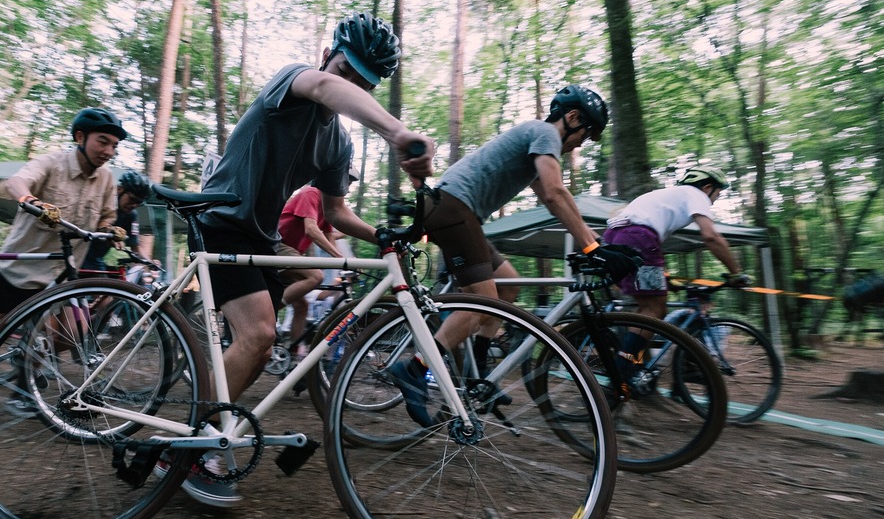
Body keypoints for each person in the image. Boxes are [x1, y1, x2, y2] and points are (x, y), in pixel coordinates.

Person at [159, 12, 436, 507]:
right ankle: (184, 451)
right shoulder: (292, 80)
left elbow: (336, 212)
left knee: (261, 343)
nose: (348, 83)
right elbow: (327, 88)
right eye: (345, 69)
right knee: (260, 334)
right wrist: (398, 133)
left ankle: (195, 435)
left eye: (362, 82)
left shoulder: (338, 143)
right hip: (223, 217)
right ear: (327, 55)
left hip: (260, 236)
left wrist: (384, 236)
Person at [385, 84, 641, 427]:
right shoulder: (545, 133)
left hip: (460, 212)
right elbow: (555, 193)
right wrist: (593, 248)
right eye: (586, 133)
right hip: (453, 208)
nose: (582, 143)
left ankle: (477, 377)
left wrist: (600, 243)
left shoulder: (535, 146)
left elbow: (559, 204)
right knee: (483, 304)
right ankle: (413, 369)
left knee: (509, 285)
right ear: (573, 117)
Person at [602, 166, 750, 382]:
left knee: (645, 307)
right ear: (707, 187)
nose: (715, 200)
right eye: (717, 195)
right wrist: (736, 273)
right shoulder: (696, 194)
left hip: (614, 237)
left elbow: (646, 234)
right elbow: (711, 237)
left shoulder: (667, 197)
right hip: (639, 237)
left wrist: (665, 278)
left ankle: (627, 365)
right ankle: (623, 369)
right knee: (655, 309)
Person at [0, 107, 127, 318]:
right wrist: (30, 200)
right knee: (13, 344)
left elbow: (106, 217)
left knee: (77, 334)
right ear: (80, 137)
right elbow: (15, 183)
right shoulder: (51, 163)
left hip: (62, 279)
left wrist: (109, 231)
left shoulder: (107, 178)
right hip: (20, 273)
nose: (109, 152)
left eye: (114, 146)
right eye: (102, 142)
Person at [275, 177, 354, 356]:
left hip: (292, 252)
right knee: (315, 276)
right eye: (346, 184)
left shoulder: (325, 207)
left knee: (302, 305)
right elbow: (311, 229)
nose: (347, 190)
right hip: (279, 245)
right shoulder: (311, 193)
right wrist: (340, 258)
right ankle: (266, 312)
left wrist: (344, 264)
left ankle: (294, 354)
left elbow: (329, 236)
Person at [81, 169, 152, 275]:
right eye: (132, 200)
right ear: (119, 189)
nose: (134, 205)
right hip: (77, 254)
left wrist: (150, 262)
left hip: (95, 260)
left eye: (138, 203)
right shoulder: (101, 203)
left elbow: (135, 248)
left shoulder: (131, 215)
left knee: (105, 289)